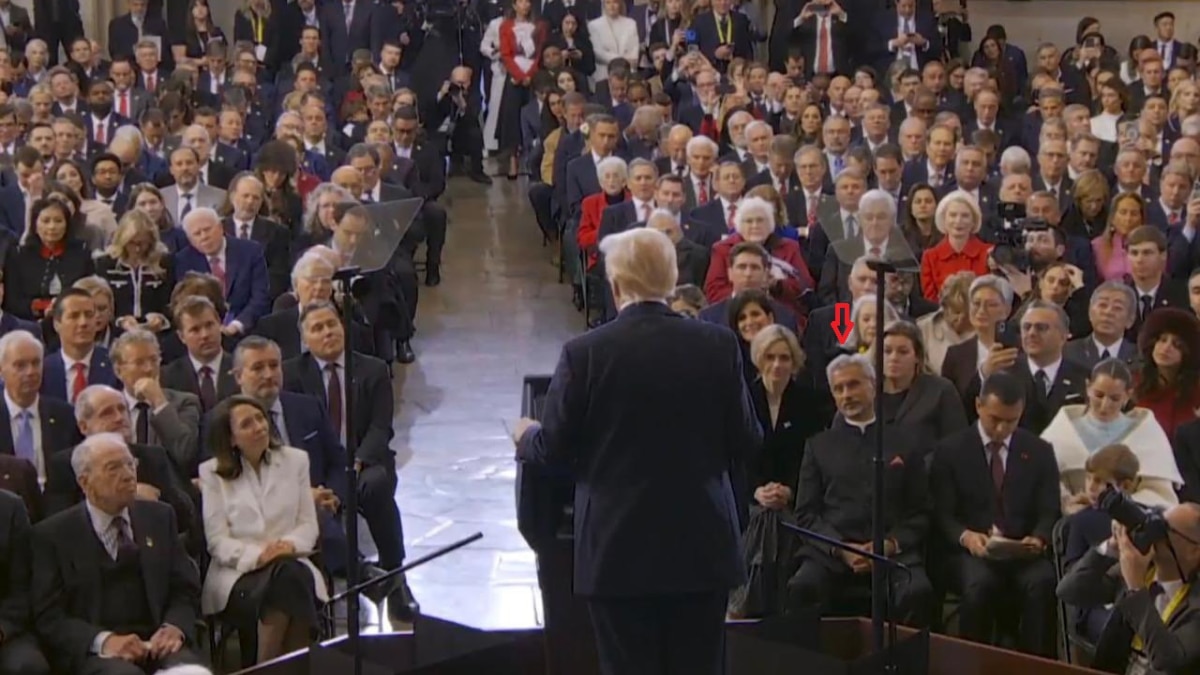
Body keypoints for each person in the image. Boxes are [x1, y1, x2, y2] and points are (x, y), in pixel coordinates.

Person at [511, 228, 761, 675]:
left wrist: (526, 435)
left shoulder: (585, 353)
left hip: (617, 551)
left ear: (616, 284)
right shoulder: (717, 345)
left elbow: (554, 450)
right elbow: (746, 441)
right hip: (700, 548)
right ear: (670, 281)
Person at [31, 433, 203, 675]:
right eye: (113, 468)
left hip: (159, 640)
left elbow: (184, 587)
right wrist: (104, 641)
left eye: (130, 464)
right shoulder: (53, 535)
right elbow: (49, 616)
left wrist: (174, 626)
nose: (127, 474)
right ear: (84, 482)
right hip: (98, 652)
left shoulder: (160, 517)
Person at [789, 353, 934, 625]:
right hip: (831, 553)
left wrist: (889, 544)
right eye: (838, 389)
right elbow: (806, 515)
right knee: (802, 587)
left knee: (918, 592)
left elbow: (921, 511)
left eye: (854, 385)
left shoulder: (906, 442)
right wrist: (842, 549)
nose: (847, 395)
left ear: (873, 385)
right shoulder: (818, 446)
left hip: (893, 552)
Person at [929, 371, 1061, 657]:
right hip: (967, 552)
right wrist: (966, 537)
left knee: (1043, 582)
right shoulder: (950, 450)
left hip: (1020, 551)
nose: (1001, 429)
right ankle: (970, 663)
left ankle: (1034, 664)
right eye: (994, 419)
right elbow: (942, 514)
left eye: (1011, 421)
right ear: (978, 406)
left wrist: (1038, 538)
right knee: (980, 584)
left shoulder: (1039, 451)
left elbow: (1049, 509)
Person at [198, 395, 327, 664]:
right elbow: (217, 541)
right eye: (247, 424)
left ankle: (264, 667)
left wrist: (287, 547)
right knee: (288, 582)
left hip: (291, 562)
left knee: (285, 578)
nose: (259, 426)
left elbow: (307, 523)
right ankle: (294, 668)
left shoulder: (296, 461)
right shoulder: (211, 473)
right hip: (238, 574)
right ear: (231, 438)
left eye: (260, 418)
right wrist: (259, 556)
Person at [1057, 502, 1200, 674]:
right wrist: (1110, 547)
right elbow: (1069, 591)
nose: (1154, 533)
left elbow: (1167, 660)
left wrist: (1136, 588)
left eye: (1164, 528)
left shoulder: (1195, 601)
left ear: (1194, 551)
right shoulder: (1142, 571)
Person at [1041, 358, 1182, 515]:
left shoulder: (1146, 431)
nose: (1105, 405)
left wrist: (1120, 507)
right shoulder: (1062, 429)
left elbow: (1161, 494)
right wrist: (1067, 503)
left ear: (1128, 395)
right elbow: (1044, 482)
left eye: (1114, 398)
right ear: (1088, 387)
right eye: (1099, 395)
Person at [0, 489, 49, 675]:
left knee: (28, 665)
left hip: (6, 626)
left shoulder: (10, 508)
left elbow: (23, 588)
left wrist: (3, 629)